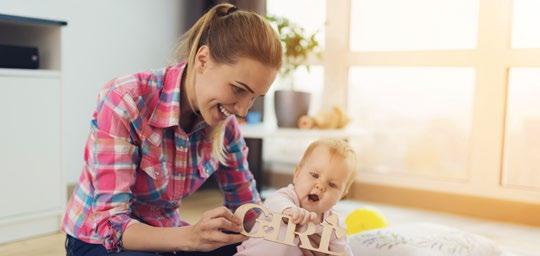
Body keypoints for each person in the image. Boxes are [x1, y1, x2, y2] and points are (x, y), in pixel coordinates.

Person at [62, 3, 282, 255]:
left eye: (254, 97)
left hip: (169, 237)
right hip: (98, 242)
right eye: (238, 89)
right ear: (202, 60)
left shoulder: (226, 126)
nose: (242, 109)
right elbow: (111, 226)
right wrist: (189, 237)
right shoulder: (126, 99)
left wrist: (289, 231)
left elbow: (247, 209)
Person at [235, 138, 357, 256]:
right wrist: (289, 211)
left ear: (342, 195)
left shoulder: (334, 225)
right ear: (297, 174)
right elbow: (274, 202)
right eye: (315, 175)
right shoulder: (286, 197)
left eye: (332, 184)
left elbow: (343, 251)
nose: (320, 186)